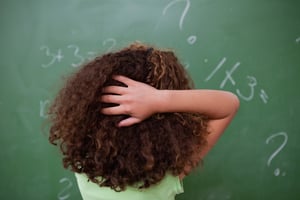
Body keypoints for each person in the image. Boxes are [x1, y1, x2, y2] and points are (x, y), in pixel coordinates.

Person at [48, 42, 239, 200]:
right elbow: (229, 105)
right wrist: (159, 99)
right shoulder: (169, 176)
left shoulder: (84, 163)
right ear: (165, 123)